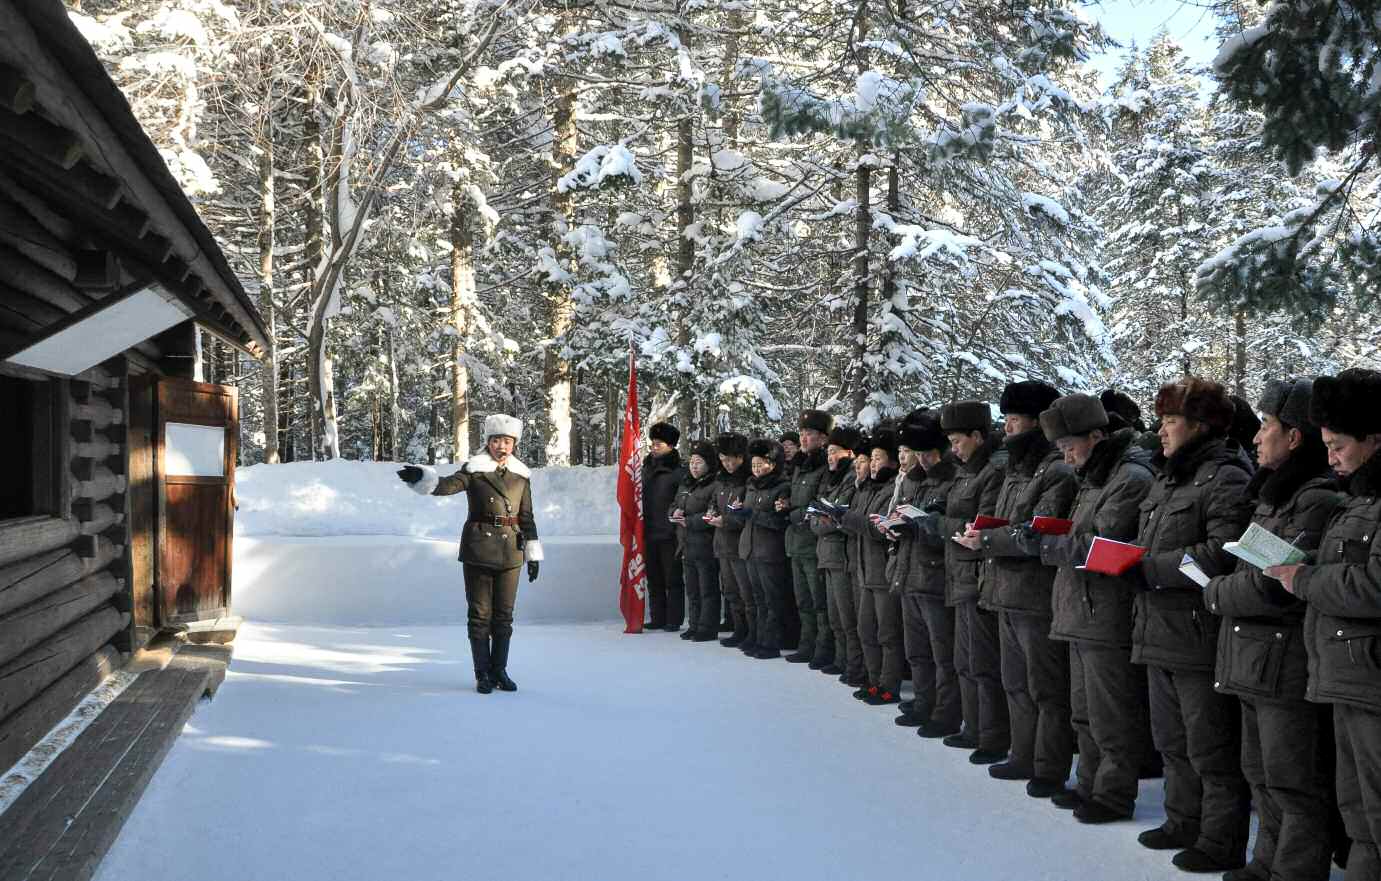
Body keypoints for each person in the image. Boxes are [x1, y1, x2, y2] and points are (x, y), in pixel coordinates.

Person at [1202, 379, 1341, 881]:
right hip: (1252, 658)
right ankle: (1266, 864)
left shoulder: (1316, 501)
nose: (1257, 438)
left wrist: (1215, 592)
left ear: (1295, 437)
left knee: (1293, 781)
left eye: (1267, 426)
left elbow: (1274, 586)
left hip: (1284, 662)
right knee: (1260, 774)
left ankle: (1295, 871)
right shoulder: (1275, 496)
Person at [1134, 376, 1254, 873]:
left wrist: (1147, 566)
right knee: (1171, 742)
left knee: (1210, 746)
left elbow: (1219, 554)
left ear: (1200, 425)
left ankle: (1220, 838)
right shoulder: (1169, 477)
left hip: (1197, 633)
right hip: (1156, 628)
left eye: (1171, 421)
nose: (1161, 431)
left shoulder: (1226, 477)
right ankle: (1182, 820)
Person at [1269, 367, 1381, 881]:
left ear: (1374, 439)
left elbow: (1374, 585)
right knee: (1357, 814)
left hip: (1370, 681)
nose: (1330, 456)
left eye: (1338, 445)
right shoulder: (1358, 497)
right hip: (1348, 678)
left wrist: (1306, 578)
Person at [1037, 393, 1155, 823]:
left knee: (1111, 714)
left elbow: (1101, 544)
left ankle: (1113, 793)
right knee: (1084, 711)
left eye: (1071, 446)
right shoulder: (1095, 475)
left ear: (1096, 436)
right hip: (1079, 607)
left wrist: (1044, 543)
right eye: (1061, 449)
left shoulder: (1129, 477)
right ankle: (1089, 783)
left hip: (1105, 611)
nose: (1067, 456)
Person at [963, 381, 1078, 796]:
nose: (1007, 428)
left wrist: (990, 540)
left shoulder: (1056, 470)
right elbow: (999, 518)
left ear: (1035, 421)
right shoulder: (1015, 468)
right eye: (1006, 420)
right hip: (1006, 591)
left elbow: (1037, 531)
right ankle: (1023, 753)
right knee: (1015, 680)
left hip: (1035, 594)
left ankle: (1049, 765)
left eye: (1013, 420)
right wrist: (984, 533)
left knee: (1045, 687)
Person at [397, 414, 542, 694]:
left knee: (504, 617)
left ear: (514, 444)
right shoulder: (474, 470)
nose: (502, 446)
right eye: (497, 440)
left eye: (508, 441)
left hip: (512, 551)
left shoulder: (521, 476)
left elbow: (527, 516)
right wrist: (423, 480)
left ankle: (500, 670)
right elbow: (447, 485)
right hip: (479, 548)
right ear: (488, 442)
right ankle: (482, 673)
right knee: (480, 615)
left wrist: (533, 554)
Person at [939, 400, 1010, 764]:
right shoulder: (963, 472)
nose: (953, 447)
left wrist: (938, 525)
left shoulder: (991, 473)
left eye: (957, 440)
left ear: (977, 436)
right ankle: (973, 725)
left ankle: (992, 733)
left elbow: (981, 523)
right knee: (964, 658)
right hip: (958, 574)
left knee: (983, 661)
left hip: (978, 576)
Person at [887, 411, 963, 737]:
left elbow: (950, 529)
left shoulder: (952, 478)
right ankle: (923, 701)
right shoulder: (915, 479)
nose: (922, 460)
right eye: (918, 454)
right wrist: (896, 526)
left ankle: (945, 711)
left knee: (941, 651)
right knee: (917, 650)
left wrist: (925, 524)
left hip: (934, 575)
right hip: (909, 571)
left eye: (927, 454)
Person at [841, 427, 904, 704]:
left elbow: (879, 528)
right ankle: (873, 678)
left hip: (882, 570)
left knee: (887, 632)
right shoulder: (867, 488)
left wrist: (846, 517)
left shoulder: (893, 489)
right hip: (864, 569)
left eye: (878, 458)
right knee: (866, 629)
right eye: (872, 458)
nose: (874, 463)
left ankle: (889, 684)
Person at [811, 425, 863, 681]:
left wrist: (825, 522)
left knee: (847, 615)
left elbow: (842, 516)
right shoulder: (831, 479)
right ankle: (841, 659)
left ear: (849, 452)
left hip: (843, 556)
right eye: (828, 452)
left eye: (834, 452)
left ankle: (854, 665)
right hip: (827, 554)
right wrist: (822, 521)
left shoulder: (851, 479)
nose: (830, 457)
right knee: (834, 614)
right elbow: (818, 515)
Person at [784, 410, 835, 666]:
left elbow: (820, 503)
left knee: (819, 602)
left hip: (814, 543)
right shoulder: (799, 467)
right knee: (803, 601)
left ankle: (823, 648)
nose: (803, 440)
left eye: (809, 435)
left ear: (823, 438)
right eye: (802, 434)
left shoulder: (824, 467)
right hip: (796, 543)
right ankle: (807, 644)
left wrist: (795, 513)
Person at [738, 438, 793, 659]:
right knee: (757, 598)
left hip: (770, 551)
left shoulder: (782, 486)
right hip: (750, 548)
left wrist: (753, 515)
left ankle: (771, 642)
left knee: (772, 599)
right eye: (754, 463)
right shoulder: (750, 485)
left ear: (773, 463)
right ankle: (758, 638)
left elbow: (779, 521)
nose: (756, 467)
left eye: (761, 463)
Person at [673, 440, 723, 642]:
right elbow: (675, 504)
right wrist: (674, 513)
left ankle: (707, 627)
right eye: (692, 462)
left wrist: (689, 521)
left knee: (707, 589)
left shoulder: (714, 485)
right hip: (686, 544)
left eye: (699, 462)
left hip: (705, 545)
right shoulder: (685, 484)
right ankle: (694, 624)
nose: (694, 466)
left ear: (709, 464)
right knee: (692, 589)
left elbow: (712, 513)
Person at [709, 433, 754, 650]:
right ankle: (738, 628)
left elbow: (746, 514)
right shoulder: (721, 480)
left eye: (732, 459)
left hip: (740, 545)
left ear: (741, 458)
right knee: (730, 591)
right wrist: (712, 513)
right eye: (724, 459)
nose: (728, 464)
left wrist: (725, 521)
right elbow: (714, 502)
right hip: (722, 544)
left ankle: (751, 631)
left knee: (745, 591)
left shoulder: (747, 482)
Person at [643, 422, 687, 632]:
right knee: (653, 578)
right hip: (648, 531)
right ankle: (657, 616)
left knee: (672, 578)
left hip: (670, 533)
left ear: (670, 445)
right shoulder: (645, 469)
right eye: (653, 443)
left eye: (659, 443)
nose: (654, 446)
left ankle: (673, 618)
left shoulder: (678, 472)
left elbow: (682, 500)